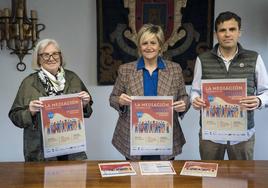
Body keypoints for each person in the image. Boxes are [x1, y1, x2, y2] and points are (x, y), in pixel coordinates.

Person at [191, 11, 268, 160]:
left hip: (243, 136)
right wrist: (195, 99)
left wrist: (259, 101)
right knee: (210, 180)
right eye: (222, 30)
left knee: (242, 180)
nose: (227, 34)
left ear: (239, 32)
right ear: (216, 34)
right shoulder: (203, 59)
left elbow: (266, 92)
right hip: (211, 135)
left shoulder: (254, 57)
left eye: (232, 29)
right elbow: (195, 90)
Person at [109, 24, 190, 160]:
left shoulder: (175, 69)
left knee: (164, 180)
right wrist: (120, 101)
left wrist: (184, 104)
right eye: (144, 43)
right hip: (133, 137)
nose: (149, 47)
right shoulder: (126, 70)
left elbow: (184, 96)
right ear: (140, 46)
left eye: (153, 42)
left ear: (160, 46)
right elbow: (113, 98)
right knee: (135, 180)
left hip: (165, 135)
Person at [8, 39, 93, 162]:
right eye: (45, 55)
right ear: (38, 59)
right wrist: (30, 111)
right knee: (40, 181)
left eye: (55, 53)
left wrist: (85, 104)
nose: (51, 58)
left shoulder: (73, 78)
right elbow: (14, 116)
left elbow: (88, 111)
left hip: (72, 149)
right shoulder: (29, 83)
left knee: (73, 181)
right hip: (39, 152)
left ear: (60, 56)